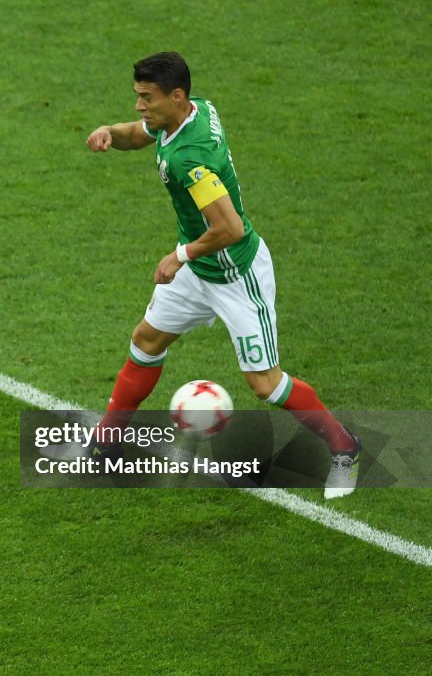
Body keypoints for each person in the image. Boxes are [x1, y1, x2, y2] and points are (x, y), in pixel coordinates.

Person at [84, 51, 360, 498]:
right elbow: (142, 132)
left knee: (265, 384)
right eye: (136, 96)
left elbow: (229, 229)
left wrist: (180, 255)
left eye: (145, 97)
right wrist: (111, 135)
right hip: (198, 269)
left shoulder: (191, 160)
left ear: (175, 96)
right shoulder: (194, 110)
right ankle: (110, 440)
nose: (139, 105)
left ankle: (345, 446)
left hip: (235, 275)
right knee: (146, 341)